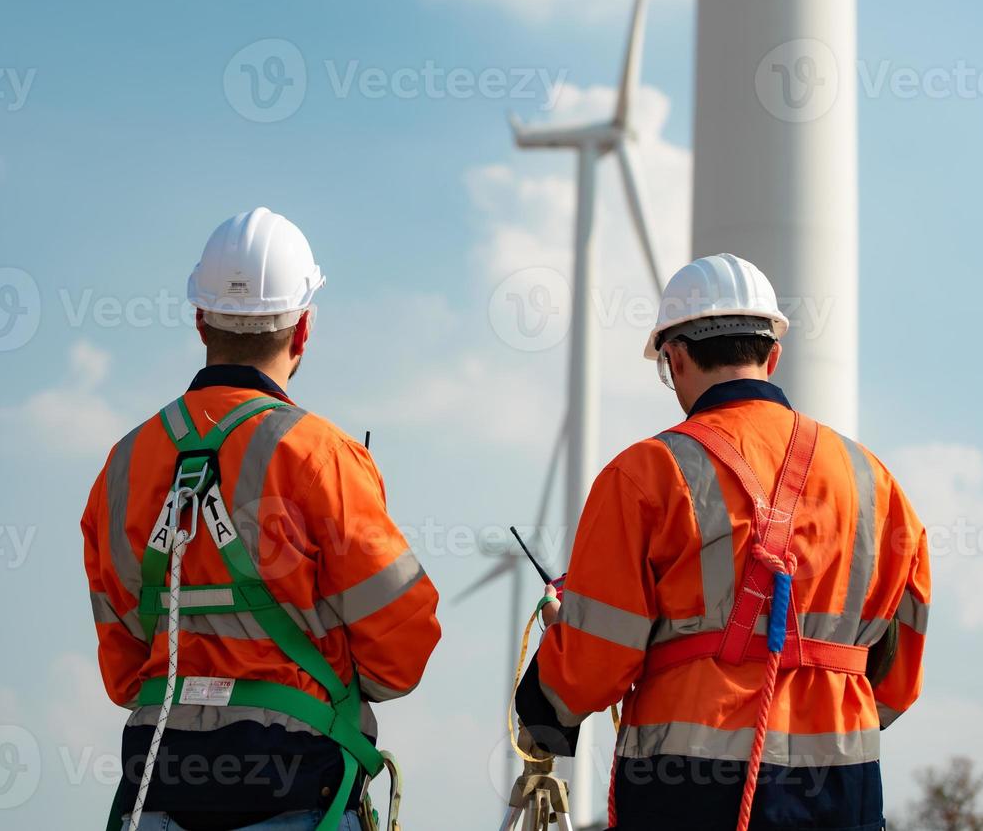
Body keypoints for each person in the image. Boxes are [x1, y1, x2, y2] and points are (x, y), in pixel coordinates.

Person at [516, 253, 930, 831]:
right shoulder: (875, 482)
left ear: (676, 357)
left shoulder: (644, 474)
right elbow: (897, 675)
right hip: (842, 785)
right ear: (772, 354)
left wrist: (542, 711)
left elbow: (597, 659)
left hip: (686, 789)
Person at [82, 207, 441, 831]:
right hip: (295, 792)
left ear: (199, 320)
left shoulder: (123, 465)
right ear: (302, 331)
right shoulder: (322, 458)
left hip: (159, 794)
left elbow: (122, 671)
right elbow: (402, 649)